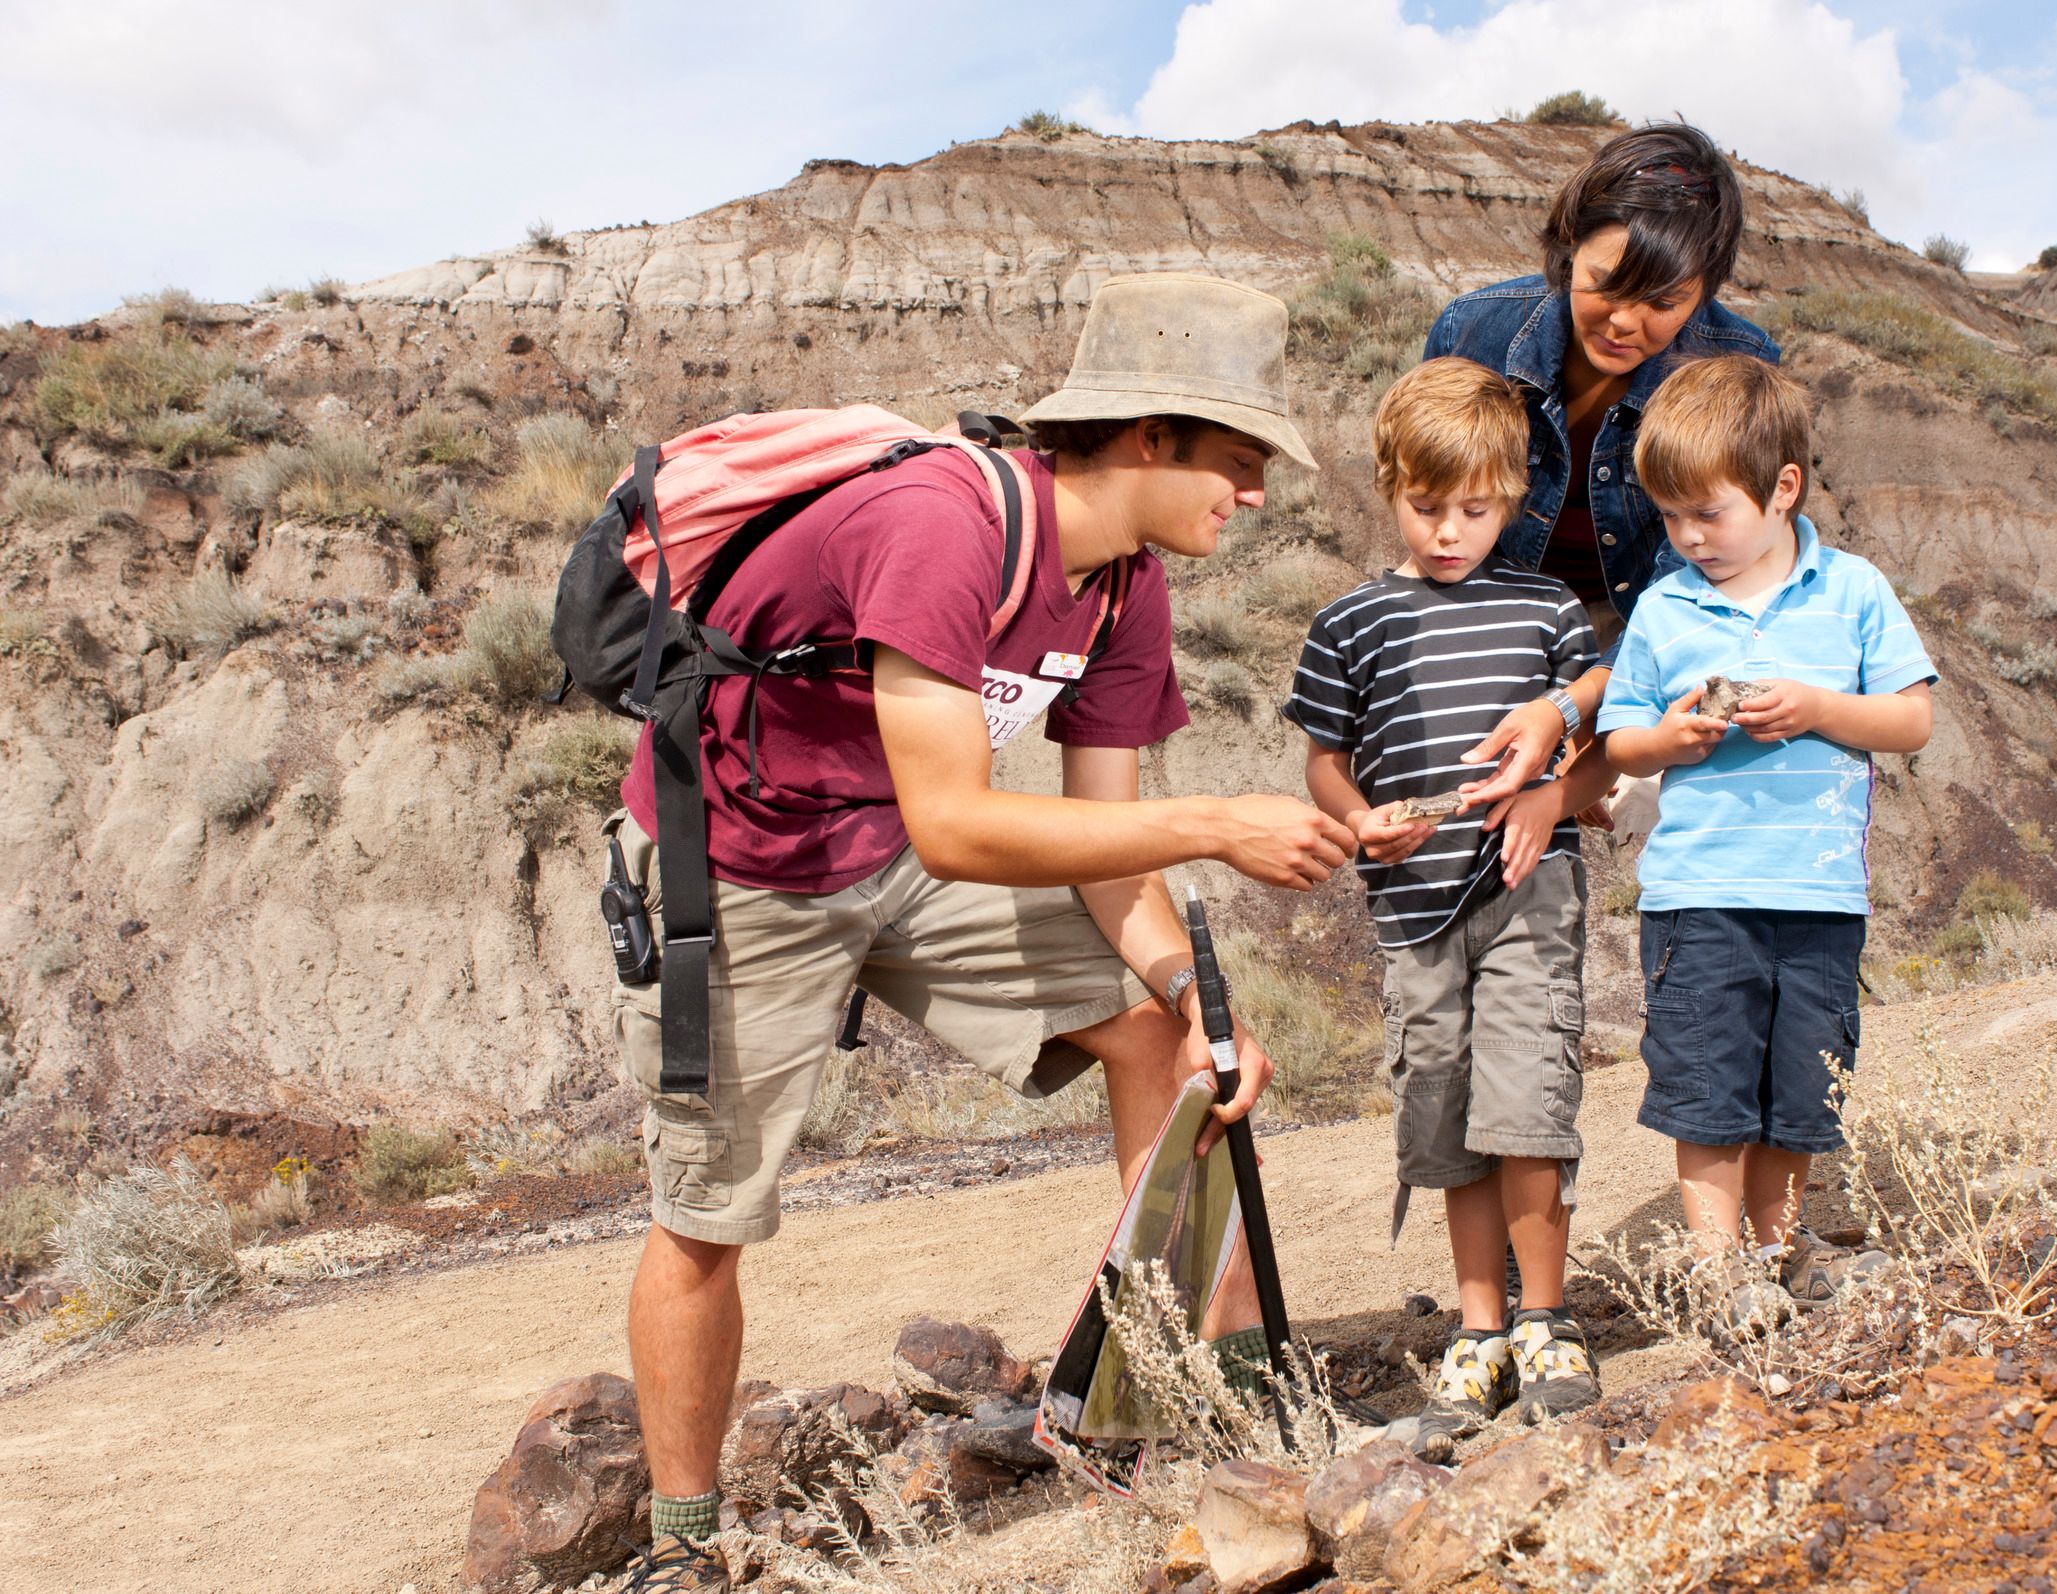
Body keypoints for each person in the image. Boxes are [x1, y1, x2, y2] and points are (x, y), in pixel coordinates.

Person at [605, 273, 1358, 1592]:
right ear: (1149, 437)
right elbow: (961, 821)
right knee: (708, 1208)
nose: (1254, 496)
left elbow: (1107, 851)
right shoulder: (944, 524)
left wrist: (1194, 994)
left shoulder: (1126, 589)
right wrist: (1222, 821)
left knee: (1160, 1039)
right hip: (742, 864)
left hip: (894, 844)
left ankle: (1193, 1403)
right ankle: (681, 1542)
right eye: (1241, 461)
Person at [1281, 357, 1603, 1457]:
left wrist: (1555, 778)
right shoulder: (1351, 624)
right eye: (1428, 507)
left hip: (1527, 892)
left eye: (1476, 508)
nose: (1451, 530)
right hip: (1413, 910)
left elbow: (1599, 708)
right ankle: (1479, 1331)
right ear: (1389, 488)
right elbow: (1325, 762)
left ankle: (1549, 1320)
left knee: (1529, 1102)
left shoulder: (1548, 610)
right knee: (1449, 1120)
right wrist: (1361, 820)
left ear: (1513, 496)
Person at [1587, 355, 1935, 1304]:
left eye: (1710, 514)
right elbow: (1620, 743)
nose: (1689, 537)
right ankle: (1717, 1271)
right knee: (1706, 1086)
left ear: (1783, 489)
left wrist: (1819, 706)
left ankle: (1780, 1254)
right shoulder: (1665, 608)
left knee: (1799, 1093)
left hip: (1820, 895)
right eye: (1670, 517)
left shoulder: (1854, 591)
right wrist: (1674, 738)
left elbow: (1910, 721)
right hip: (1700, 896)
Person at [1420, 121, 1780, 816]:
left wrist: (1581, 712)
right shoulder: (1474, 331)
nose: (1623, 321)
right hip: (1505, 607)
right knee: (1466, 786)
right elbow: (1432, 499)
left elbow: (1709, 581)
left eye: (1663, 302)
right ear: (1568, 248)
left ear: (1704, 292)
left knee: (1645, 790)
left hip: (1655, 619)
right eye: (1605, 284)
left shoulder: (1737, 367)